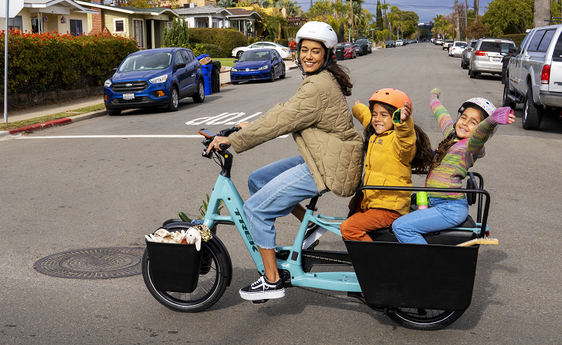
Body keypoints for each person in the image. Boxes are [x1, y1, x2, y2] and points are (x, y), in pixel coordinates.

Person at [206, 21, 363, 301]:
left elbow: (282, 120)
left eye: (316, 51)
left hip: (328, 167)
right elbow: (286, 111)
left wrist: (234, 140)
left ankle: (271, 280)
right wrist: (249, 126)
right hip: (325, 158)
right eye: (304, 50)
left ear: (327, 55)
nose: (309, 56)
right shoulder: (319, 81)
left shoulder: (317, 86)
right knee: (259, 180)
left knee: (255, 210)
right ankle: (310, 225)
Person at [391, 88, 515, 244]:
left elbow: (481, 133)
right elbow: (441, 113)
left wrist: (492, 120)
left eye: (473, 122)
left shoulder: (471, 147)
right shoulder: (451, 135)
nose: (465, 123)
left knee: (401, 227)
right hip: (435, 201)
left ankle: (427, 265)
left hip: (449, 208)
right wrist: (433, 96)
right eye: (464, 117)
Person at [340, 88, 434, 242]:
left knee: (348, 228)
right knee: (354, 204)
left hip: (390, 208)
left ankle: (374, 263)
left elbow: (406, 138)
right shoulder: (376, 133)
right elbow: (366, 117)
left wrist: (404, 122)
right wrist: (358, 108)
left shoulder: (398, 141)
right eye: (375, 114)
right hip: (375, 201)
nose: (378, 119)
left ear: (395, 118)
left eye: (384, 115)